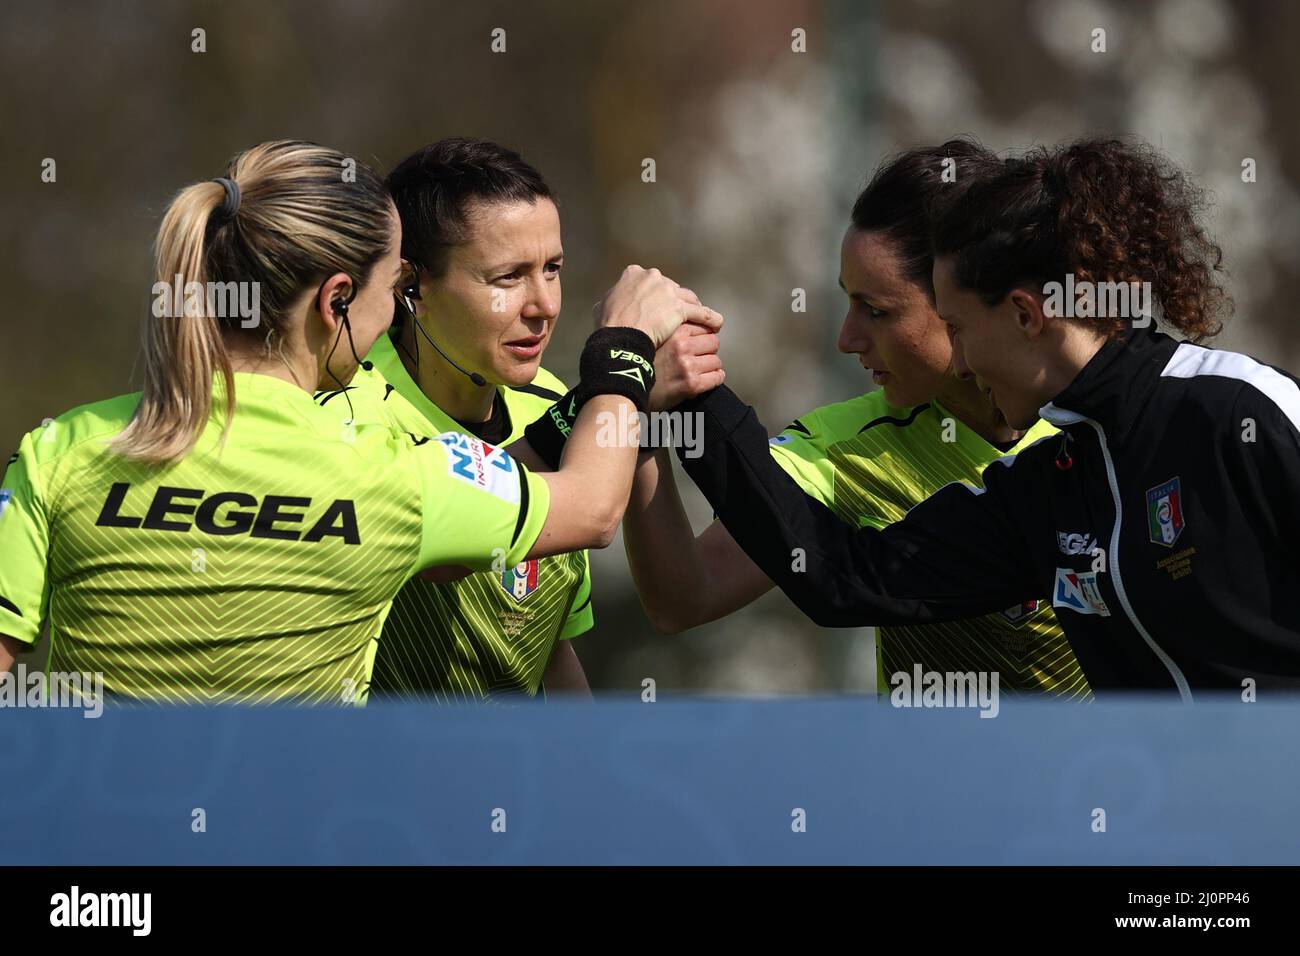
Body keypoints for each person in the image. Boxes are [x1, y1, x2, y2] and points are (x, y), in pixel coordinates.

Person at [0, 140, 719, 703]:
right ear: (337, 301)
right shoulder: (385, 470)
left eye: (553, 269)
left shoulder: (61, 447)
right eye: (392, 288)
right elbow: (591, 509)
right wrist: (623, 355)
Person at [669, 137, 1300, 697]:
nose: (962, 361)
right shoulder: (1048, 484)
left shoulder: (1239, 412)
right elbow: (848, 578)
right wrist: (697, 396)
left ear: (1026, 315)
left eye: (959, 328)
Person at [616, 141, 1089, 697]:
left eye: (878, 311)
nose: (847, 339)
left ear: (957, 297)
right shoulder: (848, 445)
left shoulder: (1102, 422)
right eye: (848, 303)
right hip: (930, 785)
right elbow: (683, 598)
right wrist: (641, 414)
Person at [315, 138, 596, 701]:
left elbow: (552, 648)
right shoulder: (346, 417)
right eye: (508, 277)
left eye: (553, 269)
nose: (544, 305)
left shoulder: (550, 400)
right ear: (409, 286)